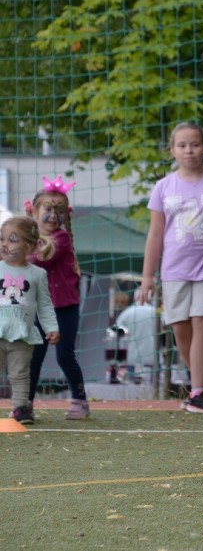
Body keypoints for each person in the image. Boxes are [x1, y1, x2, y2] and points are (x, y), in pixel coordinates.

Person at [140, 122, 203, 414]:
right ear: (172, 150)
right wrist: (147, 277)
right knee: (181, 332)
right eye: (182, 145)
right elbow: (155, 235)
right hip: (174, 271)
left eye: (194, 144)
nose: (189, 150)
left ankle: (197, 393)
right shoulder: (163, 187)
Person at [25, 176, 90, 420]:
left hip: (64, 307)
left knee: (65, 356)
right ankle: (25, 404)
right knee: (33, 357)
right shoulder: (28, 238)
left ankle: (80, 399)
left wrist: (17, 254)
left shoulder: (60, 239)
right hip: (37, 309)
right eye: (48, 209)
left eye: (60, 210)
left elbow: (42, 257)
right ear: (34, 211)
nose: (54, 216)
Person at [0, 216, 59, 424]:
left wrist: (51, 327)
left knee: (20, 373)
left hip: (23, 334)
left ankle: (20, 408)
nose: (5, 244)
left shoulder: (37, 274)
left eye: (12, 239)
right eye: (2, 239)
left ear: (30, 246)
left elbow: (44, 304)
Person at [115, 289, 158, 382]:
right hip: (152, 351)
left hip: (132, 352)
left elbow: (117, 329)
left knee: (132, 382)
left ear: (135, 297)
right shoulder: (155, 312)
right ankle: (152, 394)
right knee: (153, 380)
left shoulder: (127, 312)